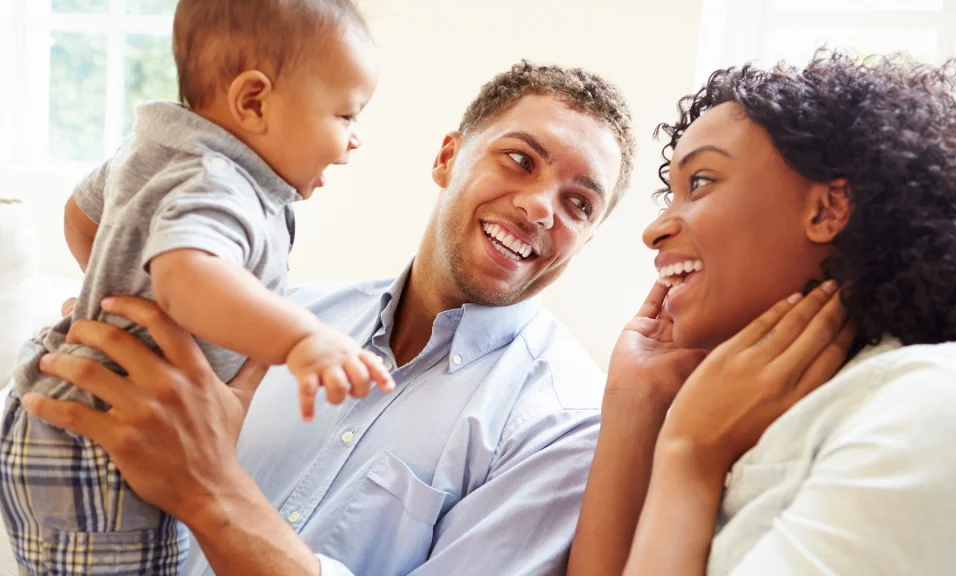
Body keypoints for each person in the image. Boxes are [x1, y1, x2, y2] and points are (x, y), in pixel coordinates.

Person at [18, 60, 637, 575]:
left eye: (579, 203)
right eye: (521, 160)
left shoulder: (564, 431)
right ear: (447, 157)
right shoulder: (281, 312)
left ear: (586, 240)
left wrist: (209, 489)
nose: (538, 208)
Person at [569, 51, 956, 575]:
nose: (654, 230)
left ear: (827, 210)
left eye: (700, 182)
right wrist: (636, 403)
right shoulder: (761, 422)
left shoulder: (935, 411)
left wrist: (688, 459)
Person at [0, 1, 386, 572]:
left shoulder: (157, 149)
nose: (354, 141)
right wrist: (302, 339)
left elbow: (82, 215)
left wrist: (116, 289)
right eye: (346, 116)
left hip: (74, 423)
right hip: (103, 442)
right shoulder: (219, 182)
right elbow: (185, 277)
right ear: (253, 102)